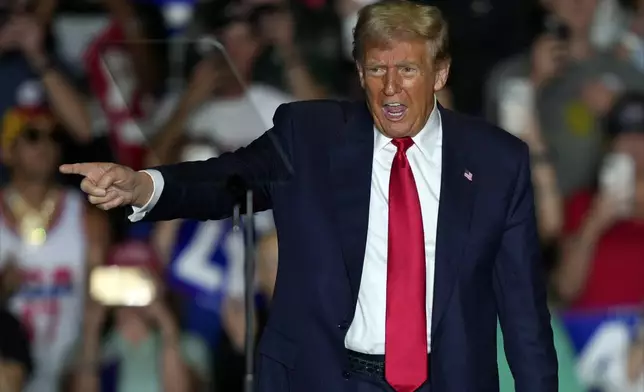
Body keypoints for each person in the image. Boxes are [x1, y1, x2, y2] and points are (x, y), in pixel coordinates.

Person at [61, 1, 558, 391]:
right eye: (376, 69)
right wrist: (143, 184)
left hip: (447, 380)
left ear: (440, 73)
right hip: (326, 376)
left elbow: (523, 314)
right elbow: (227, 178)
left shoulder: (497, 162)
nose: (390, 88)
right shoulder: (311, 135)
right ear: (359, 73)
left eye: (407, 70)